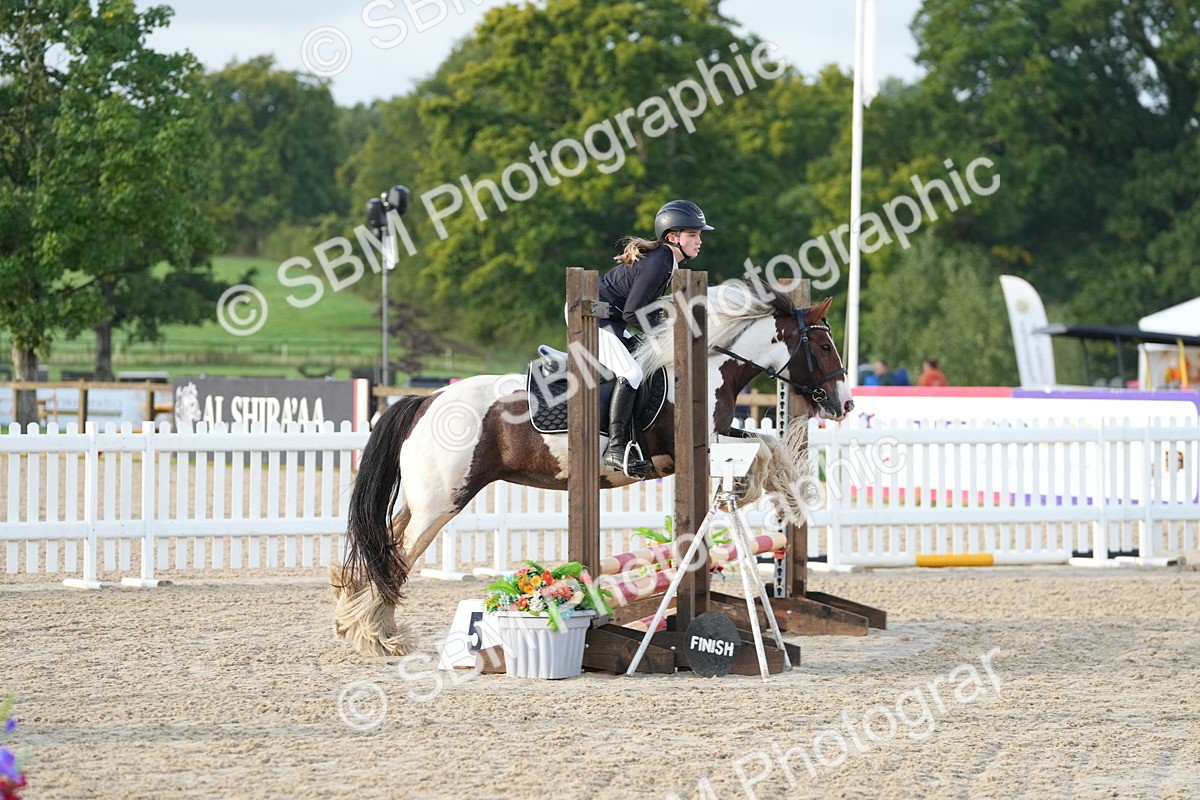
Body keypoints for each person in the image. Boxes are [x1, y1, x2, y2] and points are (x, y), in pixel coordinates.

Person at [595, 199, 712, 477]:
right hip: (591, 317)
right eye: (693, 235)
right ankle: (615, 447)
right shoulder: (660, 262)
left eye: (699, 235)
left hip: (610, 318)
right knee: (632, 373)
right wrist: (664, 336)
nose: (699, 241)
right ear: (674, 237)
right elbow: (634, 312)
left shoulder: (667, 261)